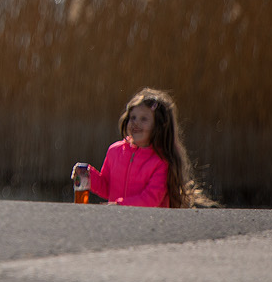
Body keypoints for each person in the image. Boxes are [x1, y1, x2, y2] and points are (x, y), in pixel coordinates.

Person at [71, 88, 211, 207]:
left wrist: (120, 206)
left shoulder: (161, 161)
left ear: (158, 125)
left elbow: (151, 199)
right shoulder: (114, 151)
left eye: (143, 119)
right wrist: (88, 177)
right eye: (133, 117)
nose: (136, 123)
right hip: (118, 221)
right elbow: (107, 187)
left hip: (149, 224)